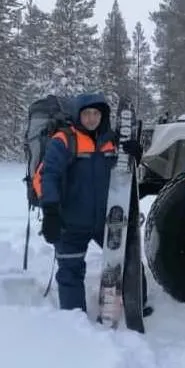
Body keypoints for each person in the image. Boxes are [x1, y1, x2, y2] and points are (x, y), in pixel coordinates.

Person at [38, 92, 152, 317]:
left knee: (128, 260)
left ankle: (135, 305)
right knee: (70, 271)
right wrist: (50, 210)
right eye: (86, 114)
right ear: (78, 115)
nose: (91, 119)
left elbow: (124, 173)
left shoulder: (112, 140)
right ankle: (73, 320)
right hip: (70, 222)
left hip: (106, 221)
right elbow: (48, 176)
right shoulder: (64, 140)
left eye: (96, 114)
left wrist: (134, 156)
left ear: (103, 115)